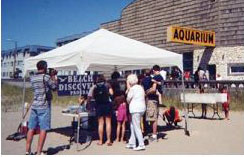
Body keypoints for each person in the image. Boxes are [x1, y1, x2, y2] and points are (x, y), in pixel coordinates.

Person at [26, 60, 57, 155]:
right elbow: (54, 87)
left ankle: (27, 151)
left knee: (31, 128)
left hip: (35, 105)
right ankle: (39, 152)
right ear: (45, 67)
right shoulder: (46, 77)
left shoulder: (33, 77)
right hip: (44, 106)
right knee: (43, 129)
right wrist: (53, 76)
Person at [126, 74, 146, 151]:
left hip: (135, 109)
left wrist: (128, 88)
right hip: (141, 108)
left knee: (136, 126)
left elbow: (128, 99)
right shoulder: (140, 87)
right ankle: (132, 142)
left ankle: (141, 144)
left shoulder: (132, 89)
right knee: (133, 125)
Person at [93, 75, 114, 146]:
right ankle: (108, 140)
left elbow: (93, 96)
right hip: (107, 105)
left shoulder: (95, 86)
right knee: (108, 122)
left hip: (99, 105)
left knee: (100, 123)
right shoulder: (107, 85)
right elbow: (112, 93)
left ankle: (101, 141)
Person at [145, 65, 163, 142]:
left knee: (153, 118)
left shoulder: (156, 77)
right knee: (154, 117)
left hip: (153, 99)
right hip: (156, 99)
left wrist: (146, 93)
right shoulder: (161, 77)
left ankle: (154, 135)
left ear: (154, 70)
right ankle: (154, 133)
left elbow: (154, 89)